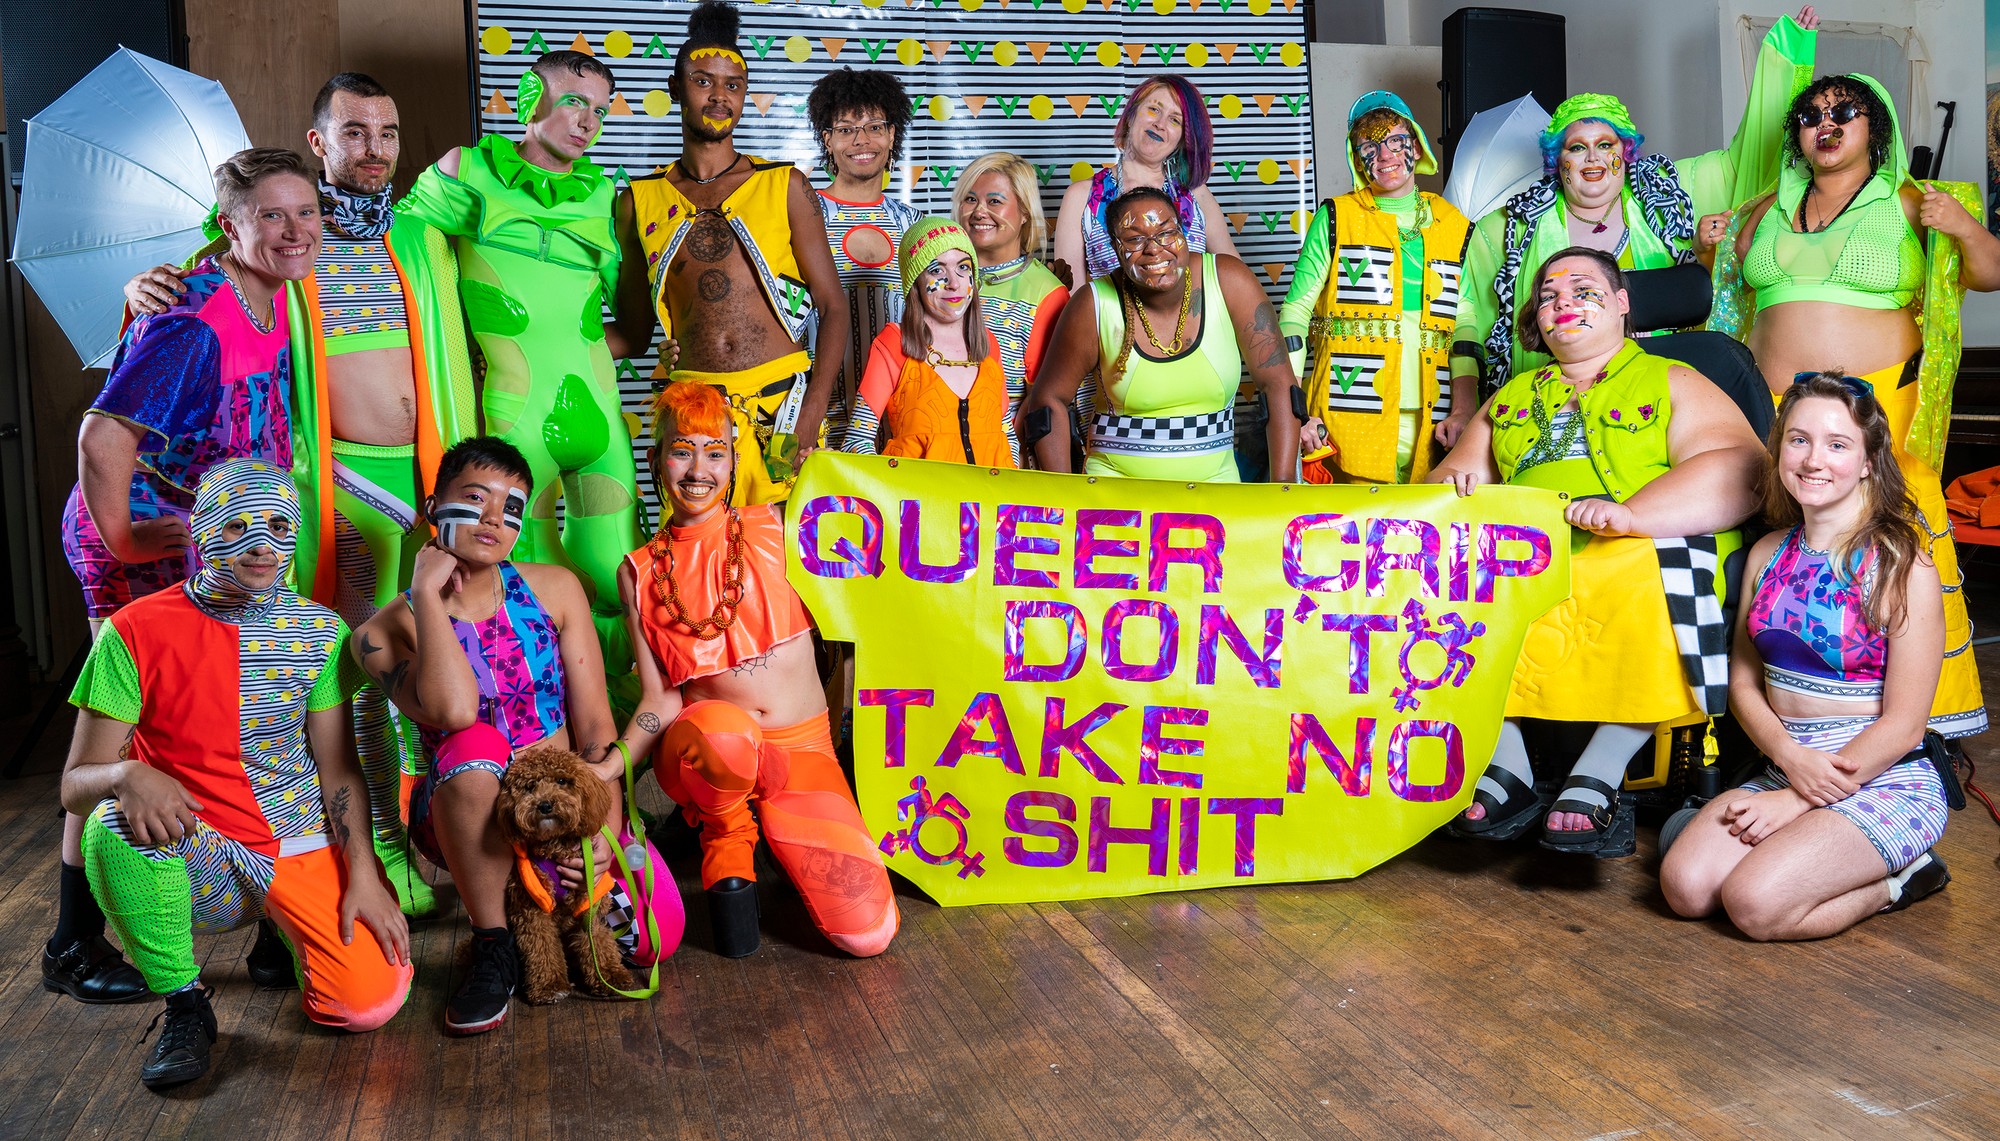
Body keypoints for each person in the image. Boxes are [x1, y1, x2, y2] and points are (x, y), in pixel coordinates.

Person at [125, 72, 481, 918]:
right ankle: (381, 853)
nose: (374, 149)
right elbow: (199, 288)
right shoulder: (286, 238)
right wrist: (138, 290)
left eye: (387, 133)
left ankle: (443, 839)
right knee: (357, 672)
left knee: (442, 662)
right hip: (343, 479)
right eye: (353, 132)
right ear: (320, 142)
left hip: (427, 474)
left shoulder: (422, 234)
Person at [45, 148, 322, 1008]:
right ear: (229, 225)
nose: (294, 231)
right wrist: (126, 544)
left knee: (234, 709)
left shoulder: (271, 297)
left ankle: (274, 913)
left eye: (304, 212)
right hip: (141, 543)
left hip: (209, 539)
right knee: (120, 737)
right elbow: (102, 439)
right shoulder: (194, 320)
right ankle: (71, 942)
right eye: (270, 216)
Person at [62, 460, 411, 1091]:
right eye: (238, 524)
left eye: (279, 525)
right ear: (201, 530)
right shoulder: (131, 631)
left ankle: (283, 929)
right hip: (191, 842)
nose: (261, 545)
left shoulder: (321, 631)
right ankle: (186, 1005)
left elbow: (338, 768)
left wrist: (365, 871)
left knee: (366, 1005)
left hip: (295, 834)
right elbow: (74, 783)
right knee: (110, 829)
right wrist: (123, 772)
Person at [1429, 248, 1765, 855]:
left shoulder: (1674, 377)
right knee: (1441, 576)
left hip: (1637, 542)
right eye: (1550, 298)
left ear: (1621, 303)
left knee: (1648, 567)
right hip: (1525, 550)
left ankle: (1602, 771)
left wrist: (1634, 516)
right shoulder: (1509, 397)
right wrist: (1457, 493)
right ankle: (1508, 766)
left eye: (1583, 291)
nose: (1564, 305)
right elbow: (1440, 486)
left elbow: (1739, 468)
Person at [1707, 74, 2000, 741]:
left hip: (1878, 402)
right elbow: (1728, 298)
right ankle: (1775, 716)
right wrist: (1711, 246)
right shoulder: (1764, 207)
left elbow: (1989, 272)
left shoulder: (1911, 198)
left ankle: (1921, 727)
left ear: (1876, 125)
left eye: (1845, 110)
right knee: (1775, 546)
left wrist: (1960, 227)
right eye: (1811, 114)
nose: (1826, 121)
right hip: (1776, 410)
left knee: (1897, 542)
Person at [1660, 374, 1951, 938]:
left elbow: (1904, 724)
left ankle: (1907, 875)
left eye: (1838, 444)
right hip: (1789, 762)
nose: (1814, 459)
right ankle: (1789, 855)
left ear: (1868, 461)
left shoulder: (1903, 565)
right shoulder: (1768, 552)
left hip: (1882, 776)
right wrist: (1789, 764)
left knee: (1754, 905)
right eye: (1798, 440)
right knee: (1687, 890)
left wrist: (1797, 799)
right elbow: (1743, 682)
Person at [613, 382, 898, 958]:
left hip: (803, 747)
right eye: (682, 450)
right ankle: (728, 833)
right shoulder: (639, 571)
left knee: (867, 934)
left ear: (734, 461)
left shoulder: (779, 524)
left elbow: (890, 536)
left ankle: (778, 831)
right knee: (725, 732)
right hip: (714, 747)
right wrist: (610, 770)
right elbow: (659, 698)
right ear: (655, 458)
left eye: (715, 452)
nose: (699, 470)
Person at [352, 437, 619, 1035]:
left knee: (652, 940)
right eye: (476, 499)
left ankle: (558, 904)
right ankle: (492, 943)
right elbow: (452, 710)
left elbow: (597, 729)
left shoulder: (555, 589)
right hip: (463, 812)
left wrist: (605, 834)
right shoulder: (379, 634)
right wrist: (426, 594)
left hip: (566, 811)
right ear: (432, 508)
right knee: (475, 747)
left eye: (513, 507)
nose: (497, 519)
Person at [399, 50, 640, 659]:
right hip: (513, 419)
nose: (588, 121)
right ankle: (530, 730)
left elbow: (637, 319)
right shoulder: (470, 171)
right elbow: (379, 236)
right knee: (517, 582)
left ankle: (617, 734)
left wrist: (583, 350)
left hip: (600, 419)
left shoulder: (606, 198)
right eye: (575, 103)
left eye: (601, 112)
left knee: (619, 574)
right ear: (533, 98)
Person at [1452, 7, 1820, 397]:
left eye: (1605, 146)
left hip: (1657, 392)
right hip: (1554, 396)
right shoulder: (1511, 227)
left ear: (1625, 154)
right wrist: (1463, 402)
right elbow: (1465, 311)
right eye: (1577, 148)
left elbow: (1749, 157)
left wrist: (1785, 59)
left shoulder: (1669, 194)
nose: (1592, 158)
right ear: (1557, 160)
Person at [620, 0, 849, 505]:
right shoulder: (637, 200)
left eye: (733, 84)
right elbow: (632, 334)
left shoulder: (783, 185)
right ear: (675, 87)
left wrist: (810, 417)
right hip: (691, 417)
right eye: (703, 80)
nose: (719, 96)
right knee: (694, 568)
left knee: (786, 567)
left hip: (780, 409)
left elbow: (834, 307)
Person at [1023, 188, 1299, 481]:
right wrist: (1066, 499)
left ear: (1184, 232)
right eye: (1134, 239)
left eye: (1166, 232)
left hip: (1217, 498)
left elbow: (1279, 385)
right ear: (1115, 248)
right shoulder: (1093, 304)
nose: (1154, 248)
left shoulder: (1228, 280)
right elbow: (1048, 400)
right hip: (1117, 501)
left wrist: (1282, 488)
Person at [1280, 91, 1474, 483]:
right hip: (1346, 418)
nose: (1383, 155)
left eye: (1394, 141)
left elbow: (1465, 321)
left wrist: (1465, 408)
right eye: (1368, 145)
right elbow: (1296, 312)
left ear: (1416, 147)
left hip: (1435, 420)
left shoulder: (1453, 223)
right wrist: (1294, 412)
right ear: (1357, 158)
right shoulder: (1336, 216)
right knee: (1350, 535)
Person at [806, 66, 922, 444]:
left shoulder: (913, 224)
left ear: (892, 135)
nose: (861, 140)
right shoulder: (805, 215)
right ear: (827, 140)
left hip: (902, 421)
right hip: (814, 417)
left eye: (874, 126)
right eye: (846, 129)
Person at [842, 218, 1014, 466]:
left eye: (963, 268)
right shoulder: (894, 342)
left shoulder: (988, 344)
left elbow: (1006, 434)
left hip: (990, 501)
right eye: (937, 270)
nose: (954, 283)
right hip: (920, 503)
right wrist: (896, 490)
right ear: (916, 283)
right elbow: (856, 442)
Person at [1052, 75, 1236, 285]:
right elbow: (1070, 294)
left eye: (1174, 120)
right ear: (1131, 116)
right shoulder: (1080, 197)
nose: (1160, 124)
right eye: (1154, 109)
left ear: (1181, 140)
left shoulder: (1197, 194)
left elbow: (1235, 279)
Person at [952, 152, 1070, 461]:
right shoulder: (936, 278)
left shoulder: (1047, 292)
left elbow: (1044, 402)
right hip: (933, 454)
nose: (979, 212)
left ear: (1025, 213)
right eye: (969, 199)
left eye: (994, 201)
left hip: (1002, 462)